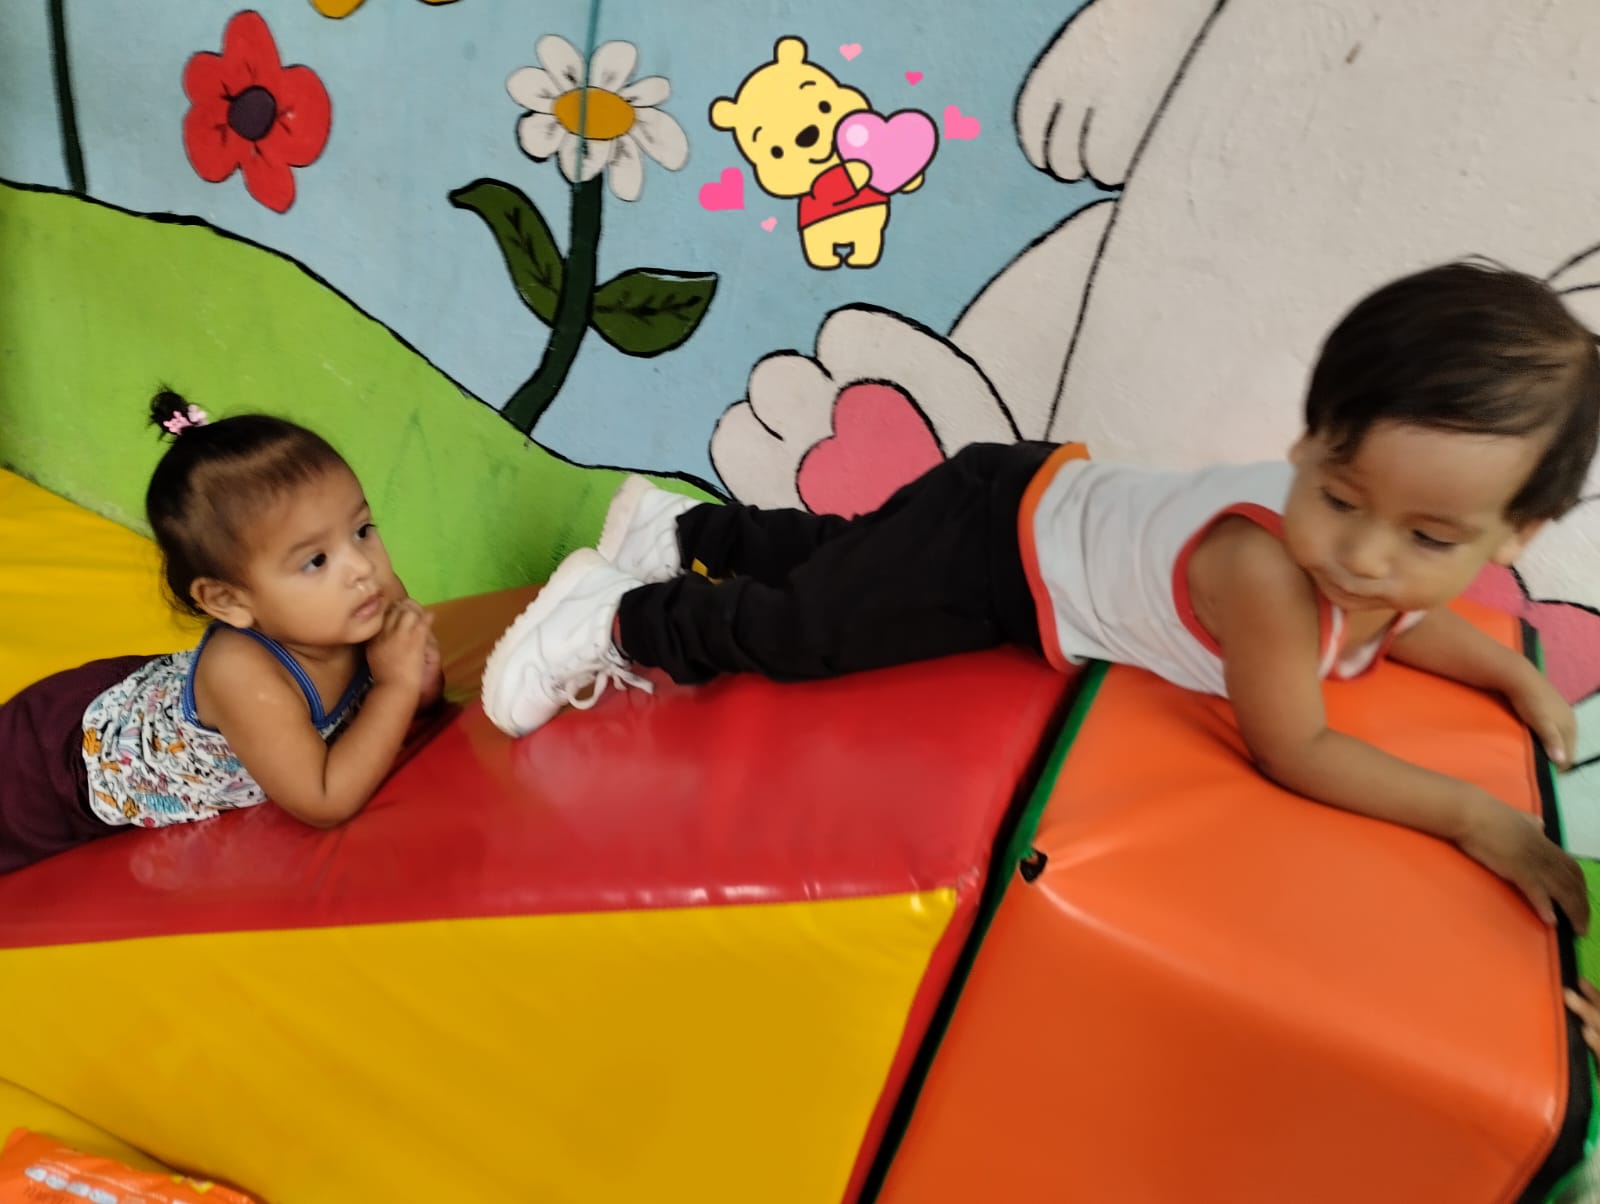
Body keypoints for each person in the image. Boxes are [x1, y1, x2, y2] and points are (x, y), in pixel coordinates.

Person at [481, 261, 1597, 933]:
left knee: (845, 558)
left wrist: (1507, 672)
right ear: (1308, 443)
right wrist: (1475, 815)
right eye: (1339, 497)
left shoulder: (1377, 564)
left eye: (1426, 538)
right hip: (1002, 556)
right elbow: (1295, 746)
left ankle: (677, 531)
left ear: (1515, 536)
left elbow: (1409, 625)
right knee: (808, 630)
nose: (1364, 558)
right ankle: (617, 615)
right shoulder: (1268, 576)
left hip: (1022, 502)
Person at [0, 393, 443, 874]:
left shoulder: (368, 599)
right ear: (229, 601)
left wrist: (418, 681)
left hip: (152, 697)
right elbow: (324, 799)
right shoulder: (242, 675)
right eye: (316, 560)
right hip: (56, 770)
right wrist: (397, 686)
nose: (361, 567)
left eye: (361, 530)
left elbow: (418, 698)